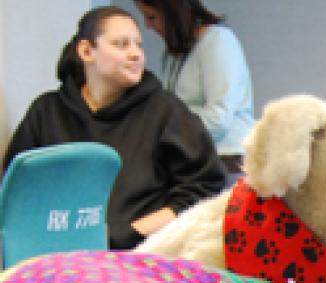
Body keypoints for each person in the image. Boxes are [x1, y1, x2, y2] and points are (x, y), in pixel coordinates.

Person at [2, 6, 225, 250]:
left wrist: (129, 234)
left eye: (138, 45)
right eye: (122, 44)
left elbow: (204, 189)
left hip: (140, 260)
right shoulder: (46, 112)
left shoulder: (166, 111)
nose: (136, 54)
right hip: (58, 263)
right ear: (87, 51)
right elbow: (17, 195)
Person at [133, 0, 254, 176]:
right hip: (192, 159)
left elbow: (218, 118)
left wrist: (165, 134)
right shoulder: (172, 53)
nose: (148, 26)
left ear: (174, 11)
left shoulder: (217, 41)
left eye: (151, 17)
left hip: (227, 161)